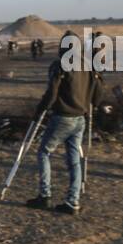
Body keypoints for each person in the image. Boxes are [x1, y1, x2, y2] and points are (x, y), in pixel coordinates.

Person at [26, 31, 103, 216]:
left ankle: (45, 196)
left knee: (44, 152)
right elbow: (98, 95)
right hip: (80, 119)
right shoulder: (87, 65)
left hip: (63, 117)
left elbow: (51, 94)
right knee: (74, 159)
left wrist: (39, 111)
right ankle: (72, 201)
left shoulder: (60, 65)